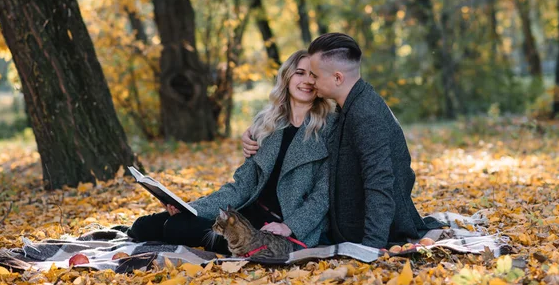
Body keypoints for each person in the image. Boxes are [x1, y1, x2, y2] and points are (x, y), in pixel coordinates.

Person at [242, 33, 442, 249]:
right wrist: (253, 131)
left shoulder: (366, 114)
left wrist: (371, 247)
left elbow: (380, 183)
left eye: (316, 76)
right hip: (340, 222)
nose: (311, 81)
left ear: (337, 78)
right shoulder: (350, 106)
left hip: (360, 230)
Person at [128, 50, 334, 253]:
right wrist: (193, 208)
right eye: (300, 73)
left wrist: (289, 226)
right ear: (287, 77)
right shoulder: (267, 124)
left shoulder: (330, 129)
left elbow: (323, 196)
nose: (307, 80)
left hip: (281, 225)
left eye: (313, 75)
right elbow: (241, 187)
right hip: (248, 210)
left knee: (178, 227)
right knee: (144, 226)